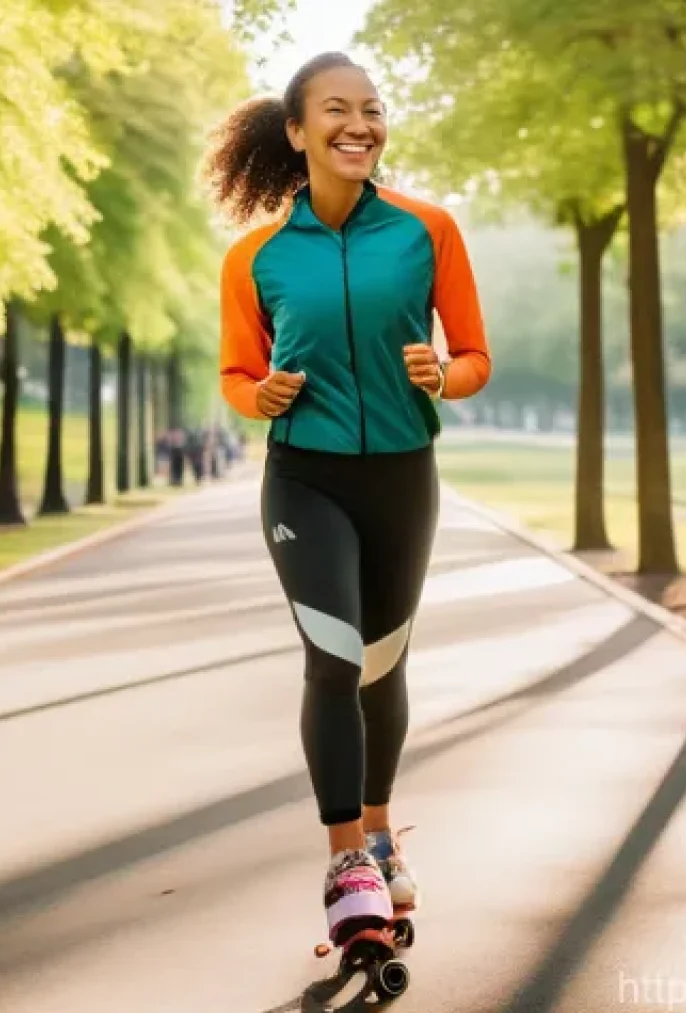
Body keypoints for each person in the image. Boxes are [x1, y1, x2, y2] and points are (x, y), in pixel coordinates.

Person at [204, 52, 492, 948]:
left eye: (372, 108)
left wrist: (442, 375)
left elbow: (476, 359)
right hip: (304, 475)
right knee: (332, 659)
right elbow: (235, 373)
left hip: (404, 475)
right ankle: (345, 859)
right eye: (337, 109)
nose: (359, 124)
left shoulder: (427, 229)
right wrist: (262, 398)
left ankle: (377, 830)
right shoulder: (255, 256)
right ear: (297, 132)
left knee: (382, 662)